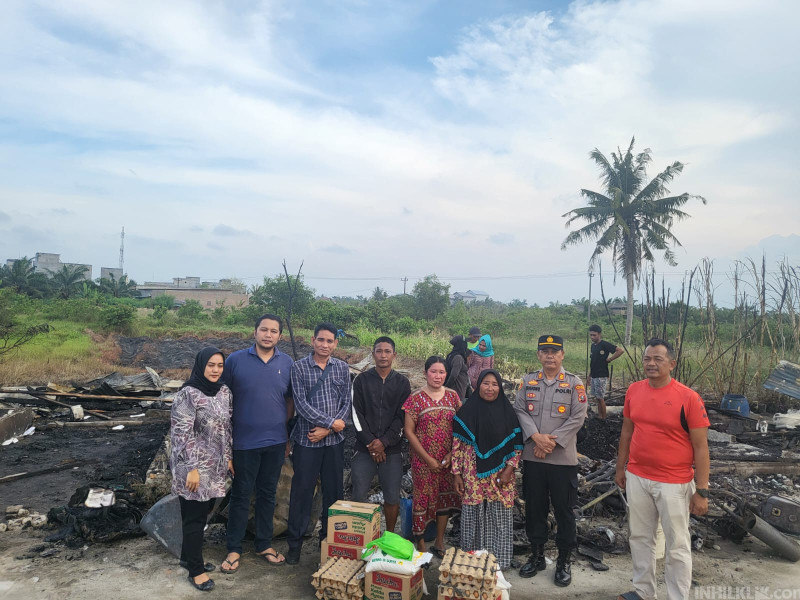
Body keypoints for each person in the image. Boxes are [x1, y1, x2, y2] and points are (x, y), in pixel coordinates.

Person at [615, 338, 710, 600]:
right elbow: (626, 432)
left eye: (658, 359)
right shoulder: (634, 390)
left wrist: (701, 490)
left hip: (674, 482)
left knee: (677, 544)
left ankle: (677, 596)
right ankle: (644, 591)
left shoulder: (688, 398)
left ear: (672, 363)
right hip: (637, 477)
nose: (651, 363)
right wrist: (620, 468)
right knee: (640, 537)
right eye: (647, 358)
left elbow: (701, 448)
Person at [221, 314, 294, 573]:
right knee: (241, 495)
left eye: (274, 331)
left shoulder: (286, 363)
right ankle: (234, 548)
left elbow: (289, 401)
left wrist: (285, 435)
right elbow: (223, 400)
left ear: (279, 336)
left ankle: (264, 543)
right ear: (254, 332)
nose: (268, 335)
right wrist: (225, 442)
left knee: (267, 494)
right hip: (243, 442)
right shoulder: (235, 361)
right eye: (264, 329)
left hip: (275, 442)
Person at [514, 335, 587, 587]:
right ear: (538, 355)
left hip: (562, 461)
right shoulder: (527, 382)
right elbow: (520, 410)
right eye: (544, 351)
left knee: (564, 511)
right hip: (534, 458)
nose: (549, 356)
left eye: (554, 352)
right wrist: (535, 437)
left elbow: (578, 417)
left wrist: (550, 443)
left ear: (563, 355)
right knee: (535, 508)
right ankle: (537, 557)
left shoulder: (574, 384)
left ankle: (564, 561)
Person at [285, 323, 352, 565]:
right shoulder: (299, 368)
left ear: (335, 343)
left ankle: (329, 542)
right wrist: (330, 424)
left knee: (333, 493)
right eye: (321, 340)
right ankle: (294, 546)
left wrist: (330, 429)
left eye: (329, 341)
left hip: (333, 442)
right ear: (312, 340)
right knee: (301, 493)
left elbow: (346, 402)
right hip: (307, 440)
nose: (325, 345)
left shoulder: (342, 368)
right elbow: (301, 405)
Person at [170, 347, 233, 592]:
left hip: (215, 466)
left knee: (203, 512)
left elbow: (227, 427)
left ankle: (188, 557)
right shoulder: (188, 394)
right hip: (194, 468)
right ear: (201, 366)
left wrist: (228, 457)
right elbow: (180, 434)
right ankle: (195, 571)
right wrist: (191, 468)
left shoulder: (224, 391)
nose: (216, 370)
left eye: (219, 365)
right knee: (195, 517)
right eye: (211, 365)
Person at [452, 369, 523, 570]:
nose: (490, 388)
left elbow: (517, 445)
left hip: (500, 473)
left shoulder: (508, 413)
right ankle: (472, 561)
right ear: (478, 385)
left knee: (499, 515)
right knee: (473, 515)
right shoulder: (467, 411)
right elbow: (457, 444)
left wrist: (509, 469)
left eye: (494, 384)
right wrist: (457, 474)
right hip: (472, 472)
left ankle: (498, 562)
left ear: (500, 388)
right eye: (486, 383)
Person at [351, 336, 411, 533]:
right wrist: (371, 443)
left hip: (391, 450)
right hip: (364, 448)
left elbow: (401, 417)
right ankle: (361, 536)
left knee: (392, 496)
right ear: (373, 353)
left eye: (387, 351)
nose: (383, 355)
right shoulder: (361, 381)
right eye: (379, 351)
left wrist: (383, 443)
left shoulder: (402, 383)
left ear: (394, 355)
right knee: (359, 494)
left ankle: (390, 535)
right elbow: (356, 414)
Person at [403, 356, 462, 556]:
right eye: (433, 372)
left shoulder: (453, 397)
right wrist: (428, 459)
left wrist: (452, 454)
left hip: (447, 460)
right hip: (423, 460)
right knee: (422, 499)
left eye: (442, 372)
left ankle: (439, 541)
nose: (438, 376)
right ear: (425, 372)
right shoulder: (415, 398)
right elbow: (409, 431)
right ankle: (420, 543)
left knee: (444, 497)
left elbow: (461, 429)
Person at [588, 324, 623, 419]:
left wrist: (610, 359)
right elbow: (593, 362)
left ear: (599, 334)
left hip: (601, 375)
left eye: (594, 335)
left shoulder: (604, 344)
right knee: (597, 398)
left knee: (600, 398)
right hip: (594, 375)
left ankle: (603, 417)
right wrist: (589, 376)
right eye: (591, 335)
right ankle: (600, 416)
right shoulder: (593, 346)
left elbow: (620, 351)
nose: (592, 337)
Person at [444, 335, 470, 401]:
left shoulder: (451, 355)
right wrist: (446, 387)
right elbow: (453, 375)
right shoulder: (458, 358)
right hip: (457, 389)